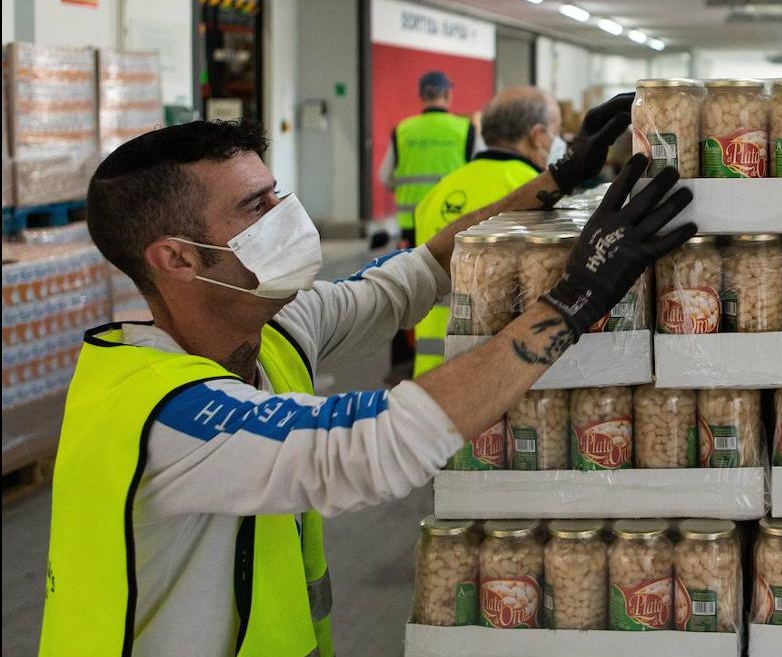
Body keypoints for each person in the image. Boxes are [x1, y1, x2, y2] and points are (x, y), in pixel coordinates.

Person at [38, 94, 693, 657]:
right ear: (177, 258)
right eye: (254, 205)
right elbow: (373, 446)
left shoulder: (273, 332)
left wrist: (552, 181)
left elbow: (417, 273)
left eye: (275, 192)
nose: (284, 214)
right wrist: (574, 302)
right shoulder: (164, 413)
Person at [411, 86, 562, 374]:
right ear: (537, 135)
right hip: (495, 373)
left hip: (430, 370)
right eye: (556, 131)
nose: (557, 141)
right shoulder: (538, 192)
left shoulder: (439, 189)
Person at [377, 71, 475, 246]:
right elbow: (479, 172)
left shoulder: (402, 130)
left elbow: (384, 176)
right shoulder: (466, 129)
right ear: (448, 94)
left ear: (421, 96)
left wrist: (404, 190)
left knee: (414, 271)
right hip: (452, 220)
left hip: (412, 223)